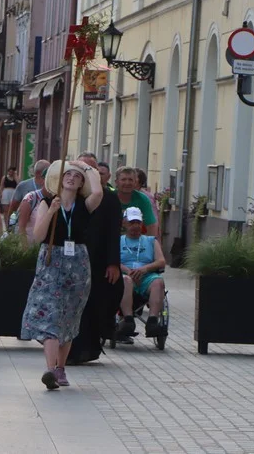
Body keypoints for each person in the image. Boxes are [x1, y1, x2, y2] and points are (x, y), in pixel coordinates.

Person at [22, 160, 102, 389]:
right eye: (68, 174)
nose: (71, 178)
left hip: (77, 264)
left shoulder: (85, 205)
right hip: (51, 261)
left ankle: (60, 368)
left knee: (68, 319)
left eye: (77, 177)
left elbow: (97, 191)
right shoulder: (47, 203)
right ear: (59, 179)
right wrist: (52, 212)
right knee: (51, 318)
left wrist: (85, 167)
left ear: (80, 183)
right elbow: (37, 237)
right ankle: (49, 369)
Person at [67, 155, 124, 366]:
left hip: (98, 260)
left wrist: (113, 263)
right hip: (70, 259)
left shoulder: (109, 198)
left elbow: (113, 232)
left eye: (91, 169)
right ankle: (69, 349)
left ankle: (89, 347)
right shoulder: (71, 194)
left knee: (94, 305)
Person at [117, 207, 168, 339]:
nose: (135, 226)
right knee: (125, 280)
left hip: (147, 276)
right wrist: (127, 270)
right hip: (126, 275)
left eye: (138, 223)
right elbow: (112, 261)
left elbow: (161, 261)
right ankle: (128, 320)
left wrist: (144, 269)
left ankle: (152, 322)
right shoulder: (118, 240)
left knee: (158, 282)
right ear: (124, 223)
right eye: (131, 222)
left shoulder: (151, 241)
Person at [115, 167, 158, 237]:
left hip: (135, 242)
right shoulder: (109, 198)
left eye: (130, 180)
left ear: (135, 182)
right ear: (116, 182)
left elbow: (151, 226)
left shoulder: (143, 199)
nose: (127, 183)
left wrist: (149, 244)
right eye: (123, 179)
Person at [10, 160, 50, 227]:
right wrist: (10, 226)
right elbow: (13, 207)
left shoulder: (51, 189)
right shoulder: (23, 186)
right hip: (25, 230)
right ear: (38, 173)